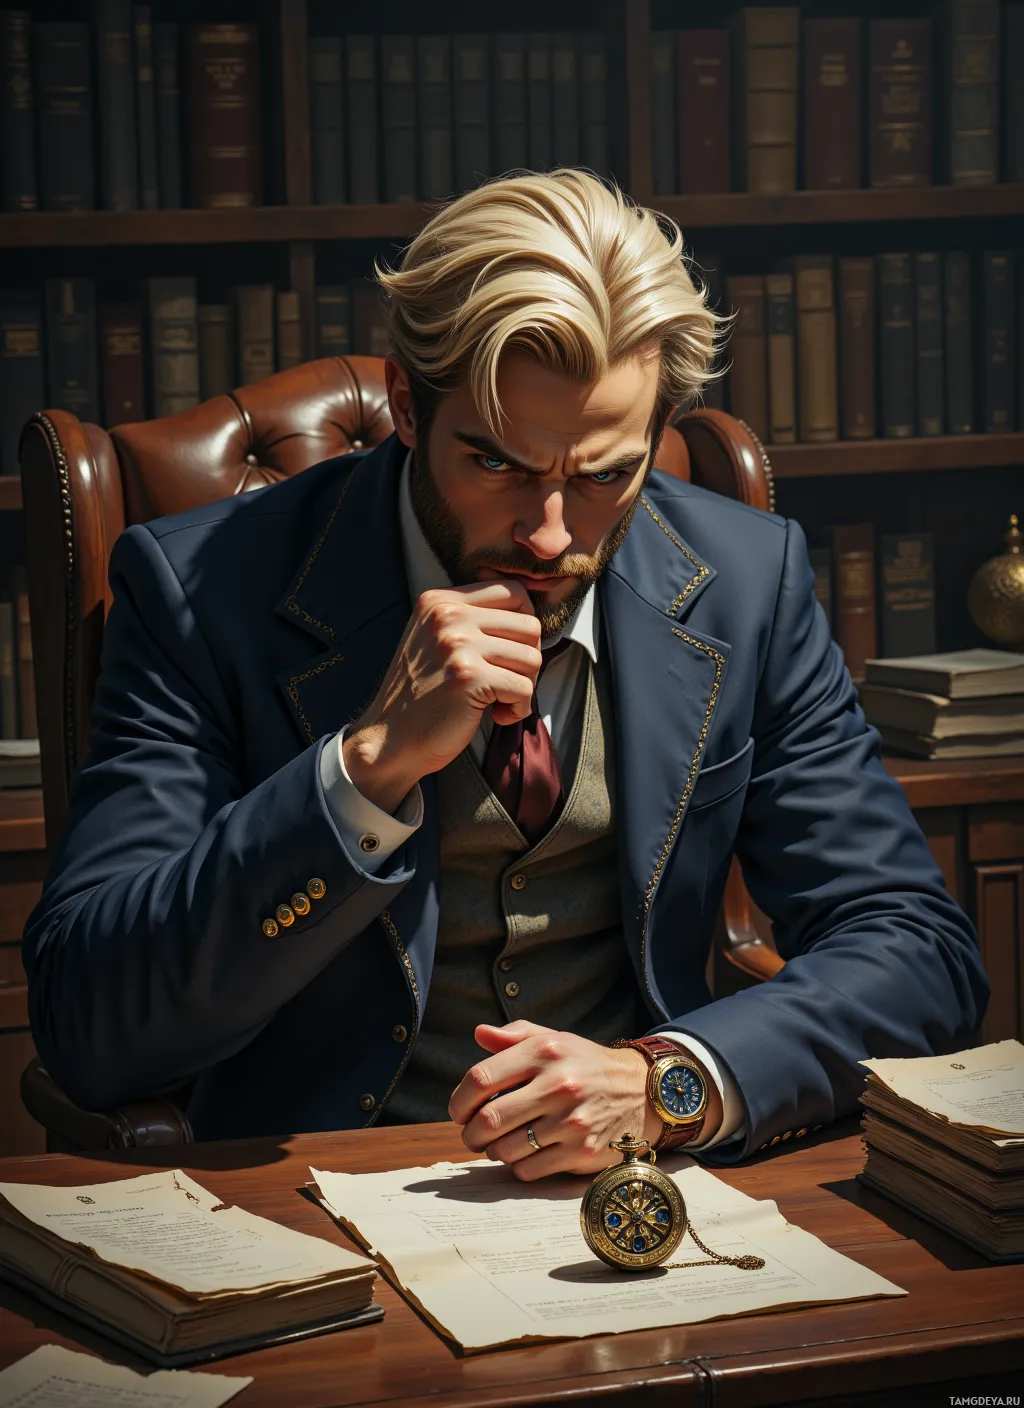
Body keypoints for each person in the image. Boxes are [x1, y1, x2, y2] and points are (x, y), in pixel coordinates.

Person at [23, 172, 988, 1174]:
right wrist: (364, 769)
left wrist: (670, 1079)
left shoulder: (747, 581)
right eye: (497, 465)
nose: (551, 533)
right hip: (311, 1206)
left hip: (646, 1196)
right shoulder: (199, 593)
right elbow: (91, 1025)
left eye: (607, 474)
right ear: (405, 402)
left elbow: (918, 950)